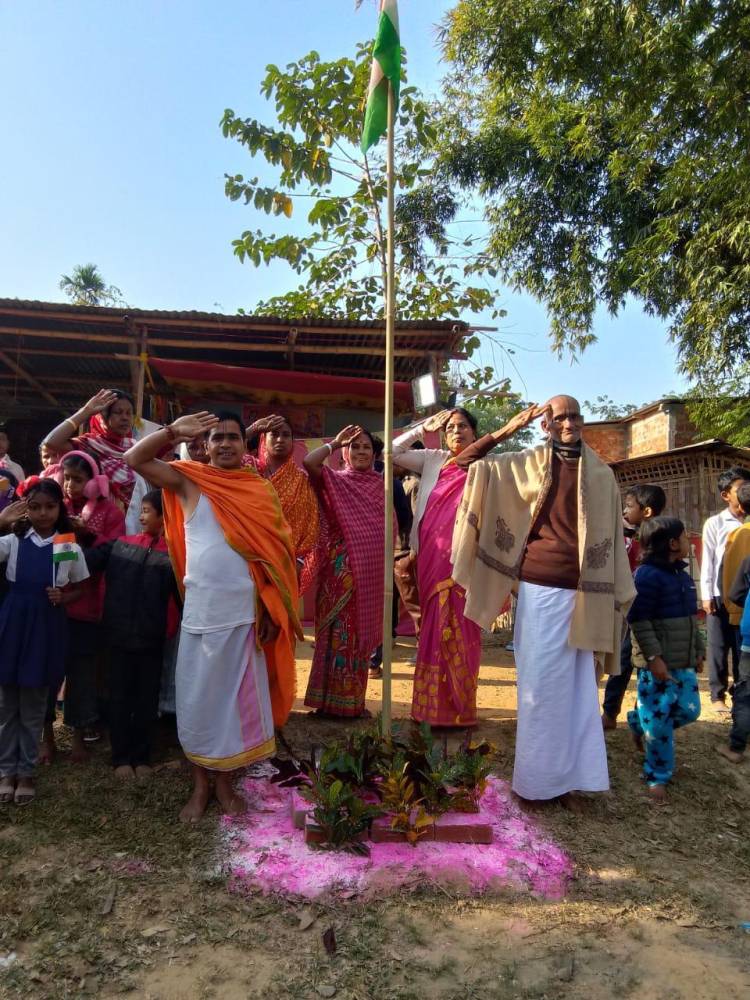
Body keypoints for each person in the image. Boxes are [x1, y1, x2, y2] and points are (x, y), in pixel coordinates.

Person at [452, 395, 635, 803]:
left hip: (588, 594)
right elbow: (464, 463)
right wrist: (508, 428)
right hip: (540, 590)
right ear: (546, 425)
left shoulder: (602, 475)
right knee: (540, 687)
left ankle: (574, 779)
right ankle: (537, 785)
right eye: (560, 417)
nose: (569, 423)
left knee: (580, 691)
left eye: (575, 416)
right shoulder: (525, 463)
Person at [124, 410, 300, 822]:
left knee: (234, 707)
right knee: (199, 703)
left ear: (245, 444)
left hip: (245, 618)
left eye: (232, 437)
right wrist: (172, 432)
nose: (224, 444)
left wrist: (269, 607)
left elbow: (275, 556)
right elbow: (135, 459)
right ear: (205, 444)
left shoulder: (258, 489)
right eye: (216, 438)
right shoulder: (190, 481)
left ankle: (224, 783)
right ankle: (201, 784)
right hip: (201, 616)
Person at [392, 404, 542, 728]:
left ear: (474, 433)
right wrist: (422, 429)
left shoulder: (488, 466)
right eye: (450, 428)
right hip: (432, 555)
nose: (456, 431)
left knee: (463, 626)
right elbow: (392, 453)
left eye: (462, 426)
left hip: (468, 558)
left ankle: (459, 708)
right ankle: (429, 709)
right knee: (433, 626)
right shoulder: (433, 460)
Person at [0, 479, 89, 804]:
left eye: (50, 507)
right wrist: (1, 522)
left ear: (59, 509)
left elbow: (82, 586)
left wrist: (63, 597)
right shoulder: (13, 540)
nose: (42, 514)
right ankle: (6, 772)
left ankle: (26, 772)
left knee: (35, 702)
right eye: (35, 507)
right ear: (25, 509)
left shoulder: (67, 545)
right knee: (7, 703)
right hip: (13, 624)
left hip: (46, 627)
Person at [83, 490, 179, 779]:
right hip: (116, 638)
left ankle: (142, 756)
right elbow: (84, 561)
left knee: (147, 700)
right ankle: (120, 757)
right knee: (119, 698)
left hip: (152, 640)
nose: (141, 516)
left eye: (147, 511)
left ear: (165, 516)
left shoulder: (176, 556)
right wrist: (74, 534)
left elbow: (184, 599)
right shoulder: (120, 545)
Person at [41, 452, 126, 764]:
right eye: (67, 478)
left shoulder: (110, 512)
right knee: (47, 673)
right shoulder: (52, 508)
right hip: (50, 605)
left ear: (94, 483)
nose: (70, 485)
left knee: (82, 675)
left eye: (78, 480)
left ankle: (78, 738)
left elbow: (116, 550)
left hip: (87, 606)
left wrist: (89, 534)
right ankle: (47, 739)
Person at [303, 425, 386, 718]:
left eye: (366, 447)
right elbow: (309, 462)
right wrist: (335, 442)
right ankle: (327, 703)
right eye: (355, 447)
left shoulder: (382, 488)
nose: (361, 451)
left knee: (357, 637)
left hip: (370, 576)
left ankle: (353, 704)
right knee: (335, 633)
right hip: (338, 572)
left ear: (375, 454)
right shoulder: (336, 480)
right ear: (345, 454)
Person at [626, 517, 704, 804]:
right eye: (684, 537)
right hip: (657, 666)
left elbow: (692, 619)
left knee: (690, 710)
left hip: (683, 662)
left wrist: (698, 649)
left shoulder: (682, 576)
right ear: (672, 543)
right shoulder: (646, 576)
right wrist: (654, 658)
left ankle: (638, 722)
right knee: (659, 723)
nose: (687, 542)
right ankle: (657, 774)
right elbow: (639, 620)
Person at [602, 484, 667, 729]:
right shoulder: (625, 535)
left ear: (646, 511)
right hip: (633, 610)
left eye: (629, 506)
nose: (624, 511)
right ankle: (610, 713)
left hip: (650, 611)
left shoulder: (657, 539)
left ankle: (641, 715)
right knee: (624, 658)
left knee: (643, 662)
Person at [245, 415, 320, 593]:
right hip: (247, 563)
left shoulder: (303, 480)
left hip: (288, 567)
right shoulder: (248, 470)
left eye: (286, 435)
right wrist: (251, 430)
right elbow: (225, 450)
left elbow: (311, 527)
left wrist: (299, 563)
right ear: (263, 439)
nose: (280, 439)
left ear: (292, 441)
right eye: (274, 434)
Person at [700, 466, 750, 713]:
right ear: (726, 495)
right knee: (718, 647)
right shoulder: (715, 523)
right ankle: (717, 694)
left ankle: (740, 693)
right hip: (720, 593)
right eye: (740, 488)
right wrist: (706, 595)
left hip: (744, 596)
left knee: (743, 647)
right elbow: (708, 560)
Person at [43, 388, 139, 512]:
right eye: (118, 412)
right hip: (93, 517)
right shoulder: (88, 445)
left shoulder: (137, 448)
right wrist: (86, 411)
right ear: (102, 417)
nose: (125, 418)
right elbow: (50, 442)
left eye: (129, 413)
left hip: (133, 518)